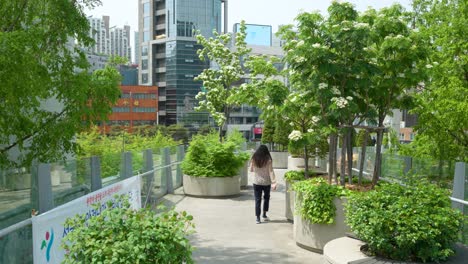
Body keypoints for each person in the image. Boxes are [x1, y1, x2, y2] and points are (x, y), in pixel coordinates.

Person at [250, 145, 277, 224]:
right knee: (266, 198)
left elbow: (251, 170)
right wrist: (274, 182)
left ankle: (257, 218)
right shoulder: (268, 159)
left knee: (257, 200)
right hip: (266, 182)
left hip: (256, 182)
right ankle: (264, 215)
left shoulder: (254, 158)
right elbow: (271, 171)